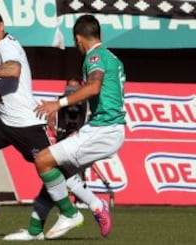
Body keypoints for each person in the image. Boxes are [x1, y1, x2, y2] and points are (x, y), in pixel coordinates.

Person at [0, 8, 83, 233]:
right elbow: (7, 87)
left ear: (1, 25)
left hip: (27, 124)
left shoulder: (8, 46)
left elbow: (14, 70)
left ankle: (90, 205)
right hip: (4, 122)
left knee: (54, 169)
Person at [32, 14, 126, 239]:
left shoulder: (94, 57)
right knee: (59, 172)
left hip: (104, 129)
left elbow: (94, 87)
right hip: (106, 128)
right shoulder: (113, 57)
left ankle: (70, 213)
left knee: (43, 160)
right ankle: (95, 206)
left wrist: (59, 103)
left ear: (78, 39)